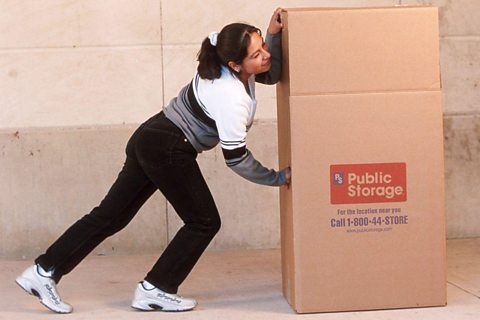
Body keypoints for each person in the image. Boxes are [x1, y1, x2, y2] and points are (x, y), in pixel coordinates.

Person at [15, 8, 290, 313]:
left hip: (151, 136)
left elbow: (272, 73)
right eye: (257, 53)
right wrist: (277, 178)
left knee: (110, 216)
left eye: (263, 45)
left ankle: (43, 271)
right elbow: (236, 159)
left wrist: (273, 34)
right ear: (235, 64)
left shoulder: (226, 64)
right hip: (168, 147)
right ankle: (156, 288)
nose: (264, 55)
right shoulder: (230, 96)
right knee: (203, 221)